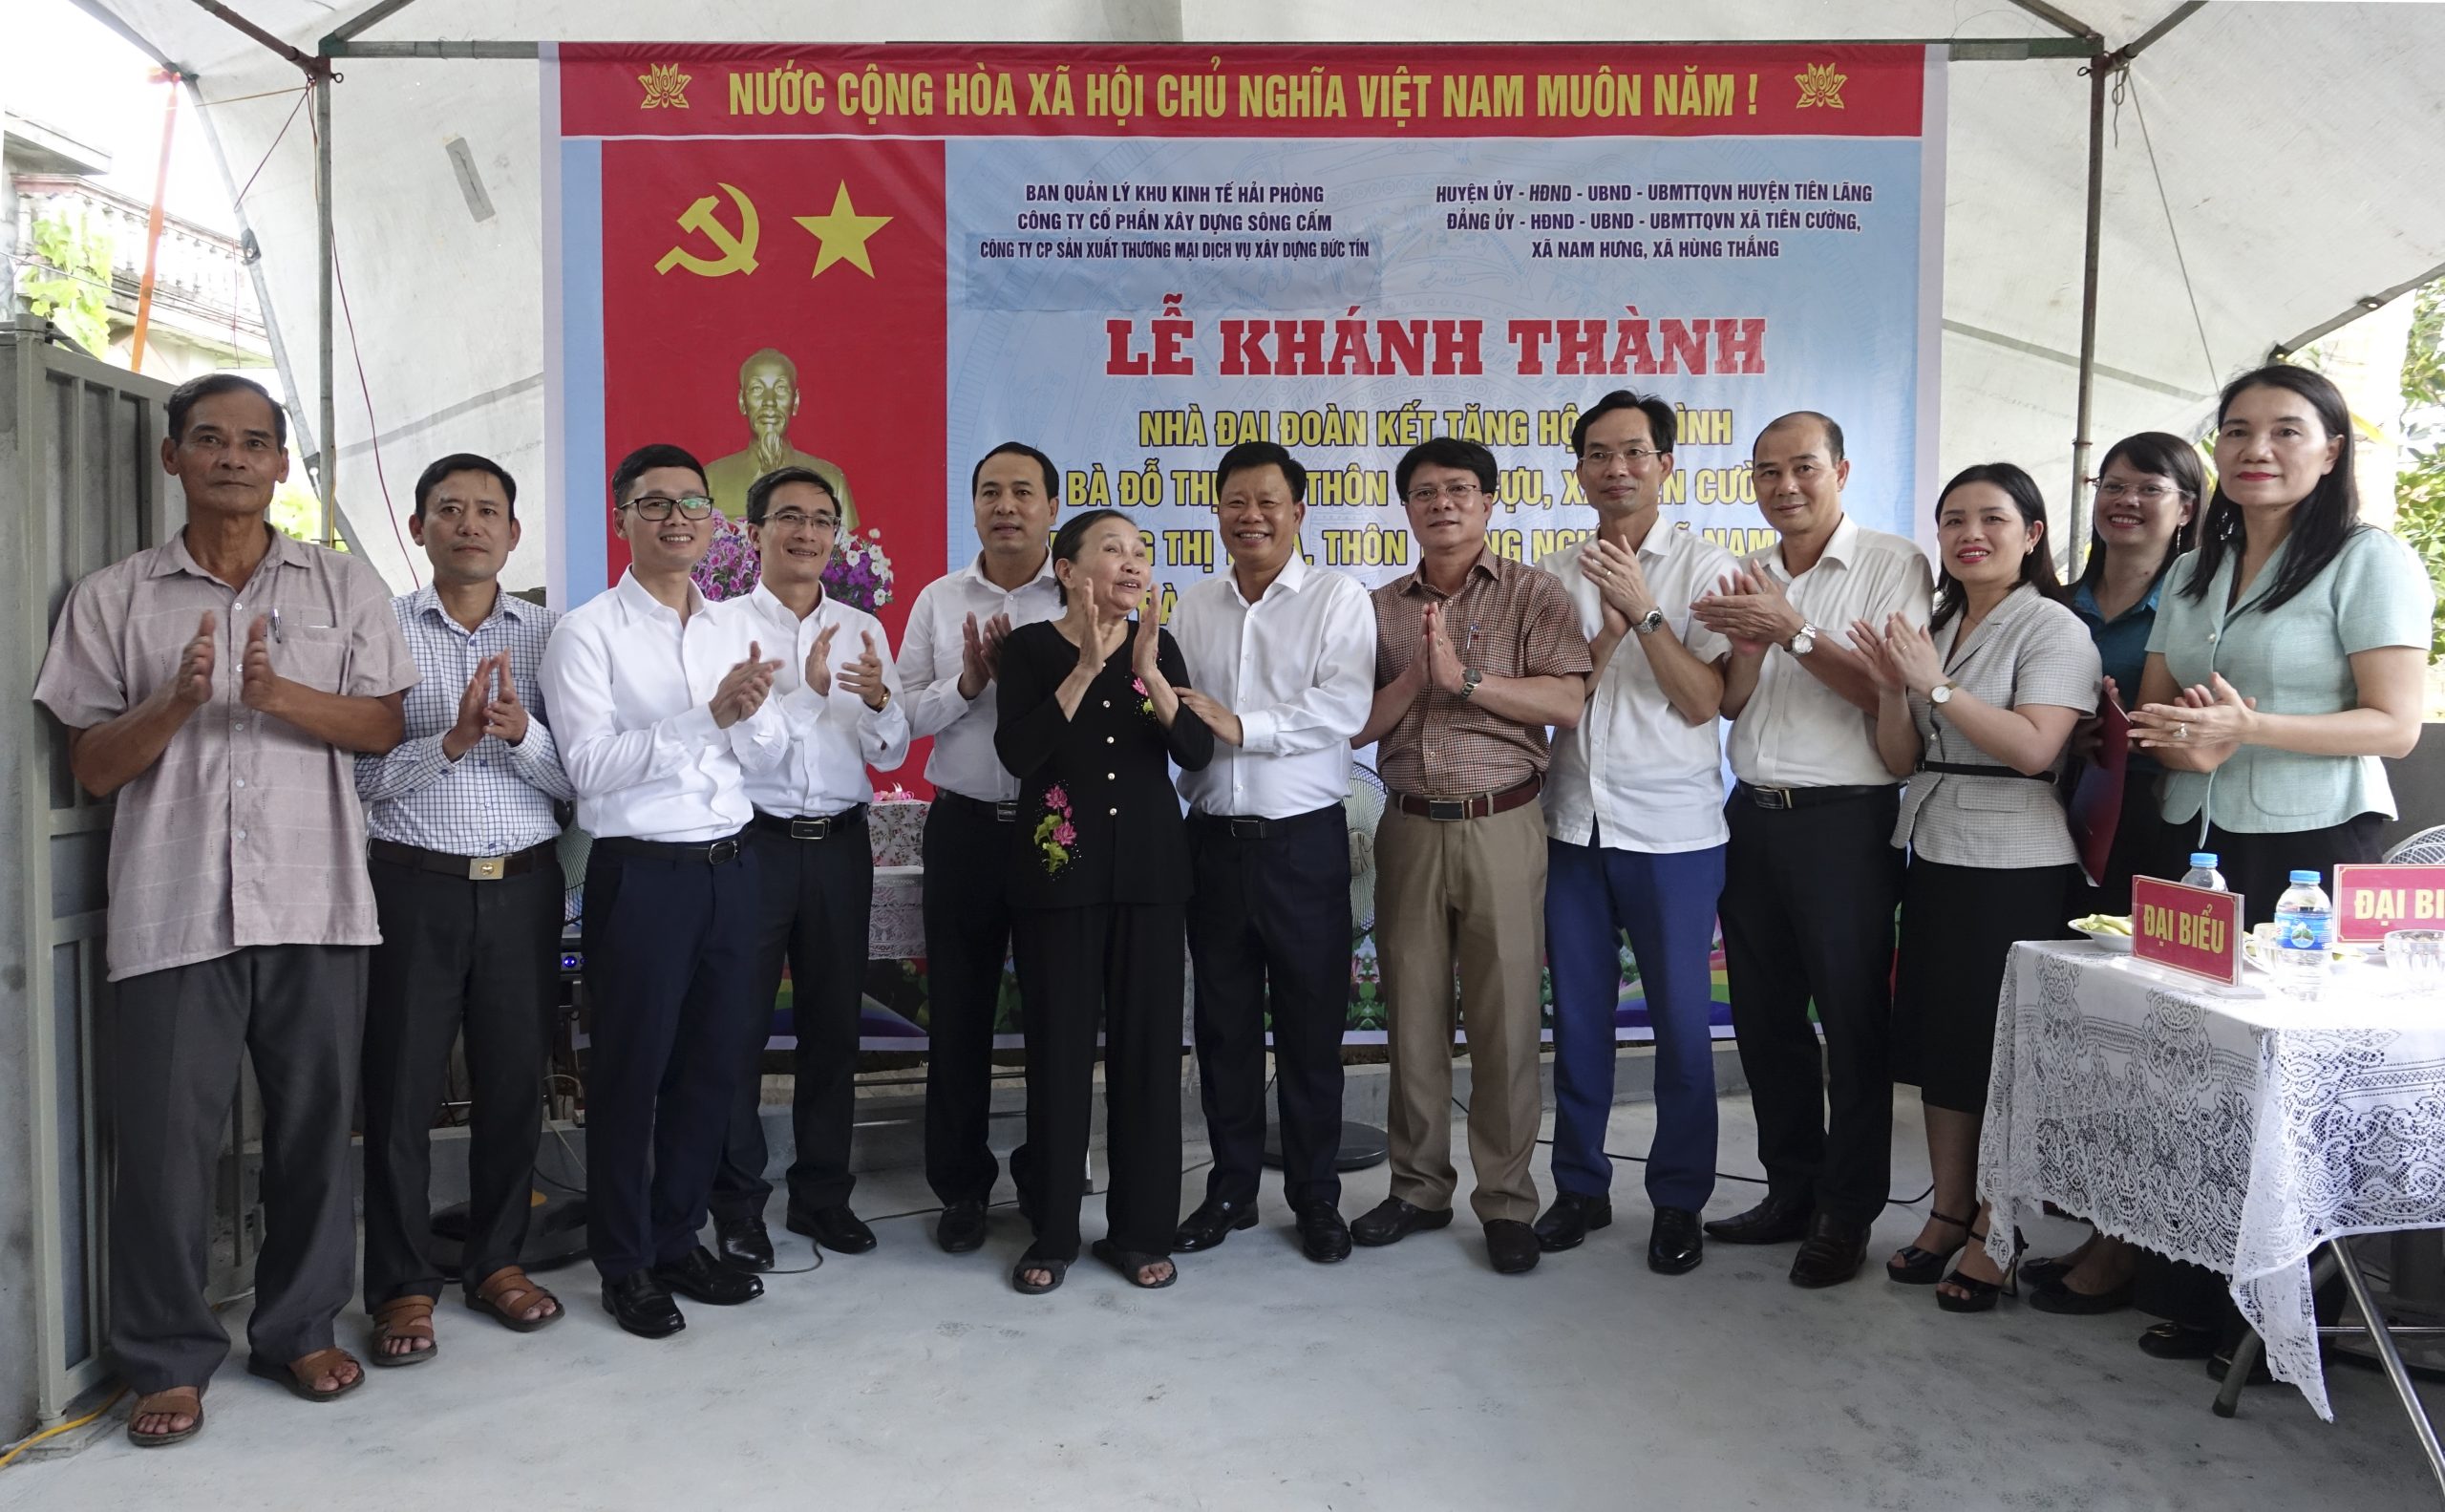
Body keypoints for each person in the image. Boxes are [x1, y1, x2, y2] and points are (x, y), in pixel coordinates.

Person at [33, 373, 415, 1445]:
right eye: (210, 439)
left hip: (316, 899)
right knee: (164, 1147)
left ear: (282, 463)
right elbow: (93, 766)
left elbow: (384, 726)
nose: (233, 458)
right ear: (174, 457)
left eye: (254, 442)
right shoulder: (113, 597)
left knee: (313, 1132)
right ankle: (166, 1356)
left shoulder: (344, 585)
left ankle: (298, 1326)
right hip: (174, 907)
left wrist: (278, 694)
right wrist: (176, 701)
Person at [2119, 363, 2432, 1366]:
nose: (2257, 449)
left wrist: (2247, 729)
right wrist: (2185, 745)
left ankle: (2278, 1318)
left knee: (2287, 1084)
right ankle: (2196, 1288)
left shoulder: (2367, 559)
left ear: (2330, 452)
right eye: (2237, 430)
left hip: (2310, 852)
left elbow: (2393, 725)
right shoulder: (2193, 569)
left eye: (2286, 431)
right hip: (2197, 839)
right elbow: (2158, 715)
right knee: (2193, 1064)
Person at [538, 443, 788, 1339]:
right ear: (623, 519)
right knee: (631, 1075)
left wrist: (749, 719)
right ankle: (625, 1263)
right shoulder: (587, 632)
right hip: (642, 876)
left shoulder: (729, 626)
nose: (677, 518)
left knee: (712, 1070)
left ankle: (679, 1239)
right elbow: (590, 769)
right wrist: (706, 718)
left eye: (692, 503)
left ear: (713, 522)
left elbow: (769, 753)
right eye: (655, 503)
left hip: (733, 867)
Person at [1690, 412, 1931, 1288]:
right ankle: (1789, 1188)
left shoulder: (1893, 563)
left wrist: (1793, 627)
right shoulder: (1747, 571)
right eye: (1767, 471)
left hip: (1845, 821)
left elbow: (1890, 694)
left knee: (1851, 1021)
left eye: (1803, 467)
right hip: (1752, 814)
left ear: (1842, 470)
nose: (1785, 486)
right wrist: (1753, 641)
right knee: (1764, 1020)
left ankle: (1846, 1210)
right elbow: (1730, 698)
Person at [1848, 463, 2097, 1311]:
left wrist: (1934, 684)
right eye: (1953, 519)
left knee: (2003, 1054)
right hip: (1936, 846)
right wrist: (1893, 689)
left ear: (2033, 533)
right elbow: (1901, 756)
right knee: (1941, 1045)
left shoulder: (2053, 627)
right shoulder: (1937, 623)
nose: (1970, 534)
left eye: (1992, 518)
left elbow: (2034, 748)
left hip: (2017, 862)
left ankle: (2000, 1225)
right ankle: (1950, 1209)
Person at [353, 453, 574, 1366]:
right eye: (450, 508)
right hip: (414, 885)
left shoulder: (552, 637)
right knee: (399, 1091)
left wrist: (519, 736)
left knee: (515, 1084)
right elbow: (356, 778)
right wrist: (448, 741)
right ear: (419, 528)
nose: (470, 523)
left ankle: (497, 1262)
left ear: (514, 533)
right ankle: (402, 1285)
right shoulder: (380, 630)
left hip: (524, 885)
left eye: (488, 510)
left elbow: (579, 782)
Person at [1351, 437, 1591, 1277]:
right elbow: (1354, 723)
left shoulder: (1534, 591)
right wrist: (1417, 677)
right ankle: (1419, 1188)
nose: (1442, 504)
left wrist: (1464, 678)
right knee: (1413, 1019)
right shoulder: (1377, 608)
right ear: (1407, 509)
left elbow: (1567, 699)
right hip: (1409, 825)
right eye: (1424, 492)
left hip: (1502, 823)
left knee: (1505, 1021)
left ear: (1490, 502)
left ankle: (1507, 1201)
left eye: (1459, 489)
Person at [1535, 392, 1738, 1274]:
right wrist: (1605, 626)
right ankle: (1579, 1185)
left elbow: (1703, 704)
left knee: (1683, 1027)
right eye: (1598, 454)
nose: (1616, 468)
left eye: (1634, 452)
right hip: (1572, 825)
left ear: (1666, 464)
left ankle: (1679, 1198)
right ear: (1579, 469)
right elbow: (1552, 702)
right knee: (1579, 1021)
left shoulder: (1709, 568)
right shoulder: (1550, 574)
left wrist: (1644, 611)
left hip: (1673, 833)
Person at [995, 509, 1214, 1293]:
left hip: (1152, 879)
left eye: (1141, 551)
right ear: (1067, 569)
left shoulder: (1160, 646)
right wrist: (1087, 667)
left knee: (1147, 1056)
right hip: (1060, 876)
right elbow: (1019, 752)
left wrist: (1149, 673)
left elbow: (1195, 751)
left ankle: (1140, 1230)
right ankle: (1053, 1230)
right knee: (1058, 1055)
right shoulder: (1028, 649)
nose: (1133, 562)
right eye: (1113, 549)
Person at [1169, 441, 1375, 1265]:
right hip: (1213, 846)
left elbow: (1343, 707)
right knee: (1222, 1030)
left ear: (1298, 512)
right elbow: (1170, 713)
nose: (1250, 516)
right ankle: (1230, 1190)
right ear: (1217, 511)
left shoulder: (1337, 598)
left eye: (1267, 502)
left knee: (1309, 1030)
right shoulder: (1192, 607)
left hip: (1302, 847)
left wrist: (1242, 725)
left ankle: (1316, 1197)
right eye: (1235, 501)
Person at [2021, 433, 2201, 1316]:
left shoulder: (2198, 600)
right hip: (2071, 821)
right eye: (2112, 484)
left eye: (2149, 487)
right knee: (2084, 1031)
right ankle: (2100, 1218)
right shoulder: (2060, 601)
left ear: (2187, 506)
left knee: (2145, 1033)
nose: (2125, 501)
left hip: (2164, 833)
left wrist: (2142, 731)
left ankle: (2128, 1243)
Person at [711, 467, 909, 1267]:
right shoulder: (722, 627)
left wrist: (879, 702)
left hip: (839, 845)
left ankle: (823, 1195)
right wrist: (808, 694)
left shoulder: (863, 628)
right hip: (750, 844)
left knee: (834, 1028)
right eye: (789, 516)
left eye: (823, 519)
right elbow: (731, 747)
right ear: (754, 531)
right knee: (736, 1028)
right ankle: (737, 1204)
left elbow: (889, 751)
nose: (807, 532)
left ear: (836, 536)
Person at [899, 443, 1064, 1253]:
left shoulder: (1078, 593)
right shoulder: (939, 600)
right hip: (964, 826)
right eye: (990, 491)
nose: (1006, 505)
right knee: (958, 1017)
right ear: (972, 508)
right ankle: (961, 1188)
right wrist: (967, 684)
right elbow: (899, 719)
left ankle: (1046, 1180)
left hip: (1054, 830)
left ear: (1052, 508)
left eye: (1022, 492)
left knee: (1054, 1017)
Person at [702, 349, 857, 530]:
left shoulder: (832, 480)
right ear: (742, 402)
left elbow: (845, 544)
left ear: (795, 401)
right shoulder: (711, 480)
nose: (770, 401)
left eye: (781, 389)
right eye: (757, 389)